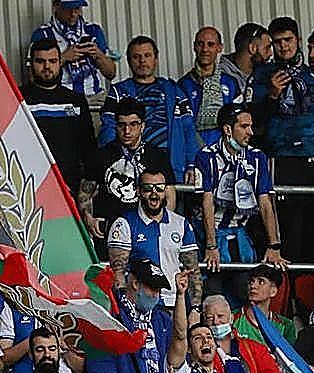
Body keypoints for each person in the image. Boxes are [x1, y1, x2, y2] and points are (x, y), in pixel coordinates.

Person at [250, 16, 314, 263]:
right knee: (289, 230)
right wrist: (272, 96)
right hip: (284, 159)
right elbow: (252, 122)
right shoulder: (261, 75)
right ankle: (290, 297)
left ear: (298, 40)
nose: (284, 46)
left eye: (288, 40)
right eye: (277, 42)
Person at [194, 103, 284, 280]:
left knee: (245, 291)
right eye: (244, 127)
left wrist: (274, 246)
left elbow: (265, 203)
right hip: (209, 234)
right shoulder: (206, 156)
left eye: (250, 126)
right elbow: (207, 203)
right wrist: (211, 246)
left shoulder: (257, 157)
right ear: (228, 129)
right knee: (213, 290)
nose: (250, 132)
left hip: (241, 233)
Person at [98, 36, 198, 182]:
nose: (142, 61)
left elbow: (188, 130)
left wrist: (191, 164)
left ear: (156, 58)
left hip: (171, 169)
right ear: (128, 61)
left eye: (147, 55)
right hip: (130, 173)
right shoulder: (119, 92)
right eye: (136, 57)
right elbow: (108, 129)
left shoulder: (174, 91)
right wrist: (114, 164)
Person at [87, 259, 174, 373]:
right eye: (152, 288)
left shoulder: (161, 320)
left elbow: (168, 361)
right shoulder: (110, 315)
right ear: (135, 284)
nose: (156, 295)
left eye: (159, 290)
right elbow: (98, 361)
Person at [78, 99, 175, 244]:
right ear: (115, 126)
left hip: (146, 229)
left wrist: (162, 227)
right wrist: (88, 218)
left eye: (133, 124)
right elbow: (85, 193)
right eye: (121, 125)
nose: (127, 131)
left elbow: (169, 194)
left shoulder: (157, 156)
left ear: (142, 126)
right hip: (109, 230)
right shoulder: (100, 155)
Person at [107, 168, 199, 307]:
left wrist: (195, 309)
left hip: (173, 304)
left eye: (160, 188)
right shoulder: (124, 223)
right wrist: (124, 307)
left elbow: (193, 271)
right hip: (139, 305)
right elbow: (118, 271)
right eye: (148, 188)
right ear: (138, 191)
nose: (154, 193)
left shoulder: (181, 224)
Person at [21, 39, 95, 194]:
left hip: (70, 187)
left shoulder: (76, 100)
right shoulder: (18, 99)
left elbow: (88, 146)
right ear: (31, 64)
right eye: (40, 61)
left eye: (52, 61)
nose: (47, 66)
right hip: (30, 184)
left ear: (60, 62)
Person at [28, 0, 117, 107]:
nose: (73, 14)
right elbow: (33, 78)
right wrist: (64, 57)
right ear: (56, 5)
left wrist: (98, 54)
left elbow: (111, 74)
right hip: (61, 100)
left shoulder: (93, 30)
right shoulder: (42, 34)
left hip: (94, 98)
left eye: (77, 8)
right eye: (68, 9)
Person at [179, 28, 243, 149]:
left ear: (220, 48)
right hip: (196, 151)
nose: (205, 49)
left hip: (227, 149)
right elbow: (183, 124)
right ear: (194, 47)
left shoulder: (230, 83)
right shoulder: (184, 84)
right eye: (200, 44)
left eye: (211, 44)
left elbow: (238, 120)